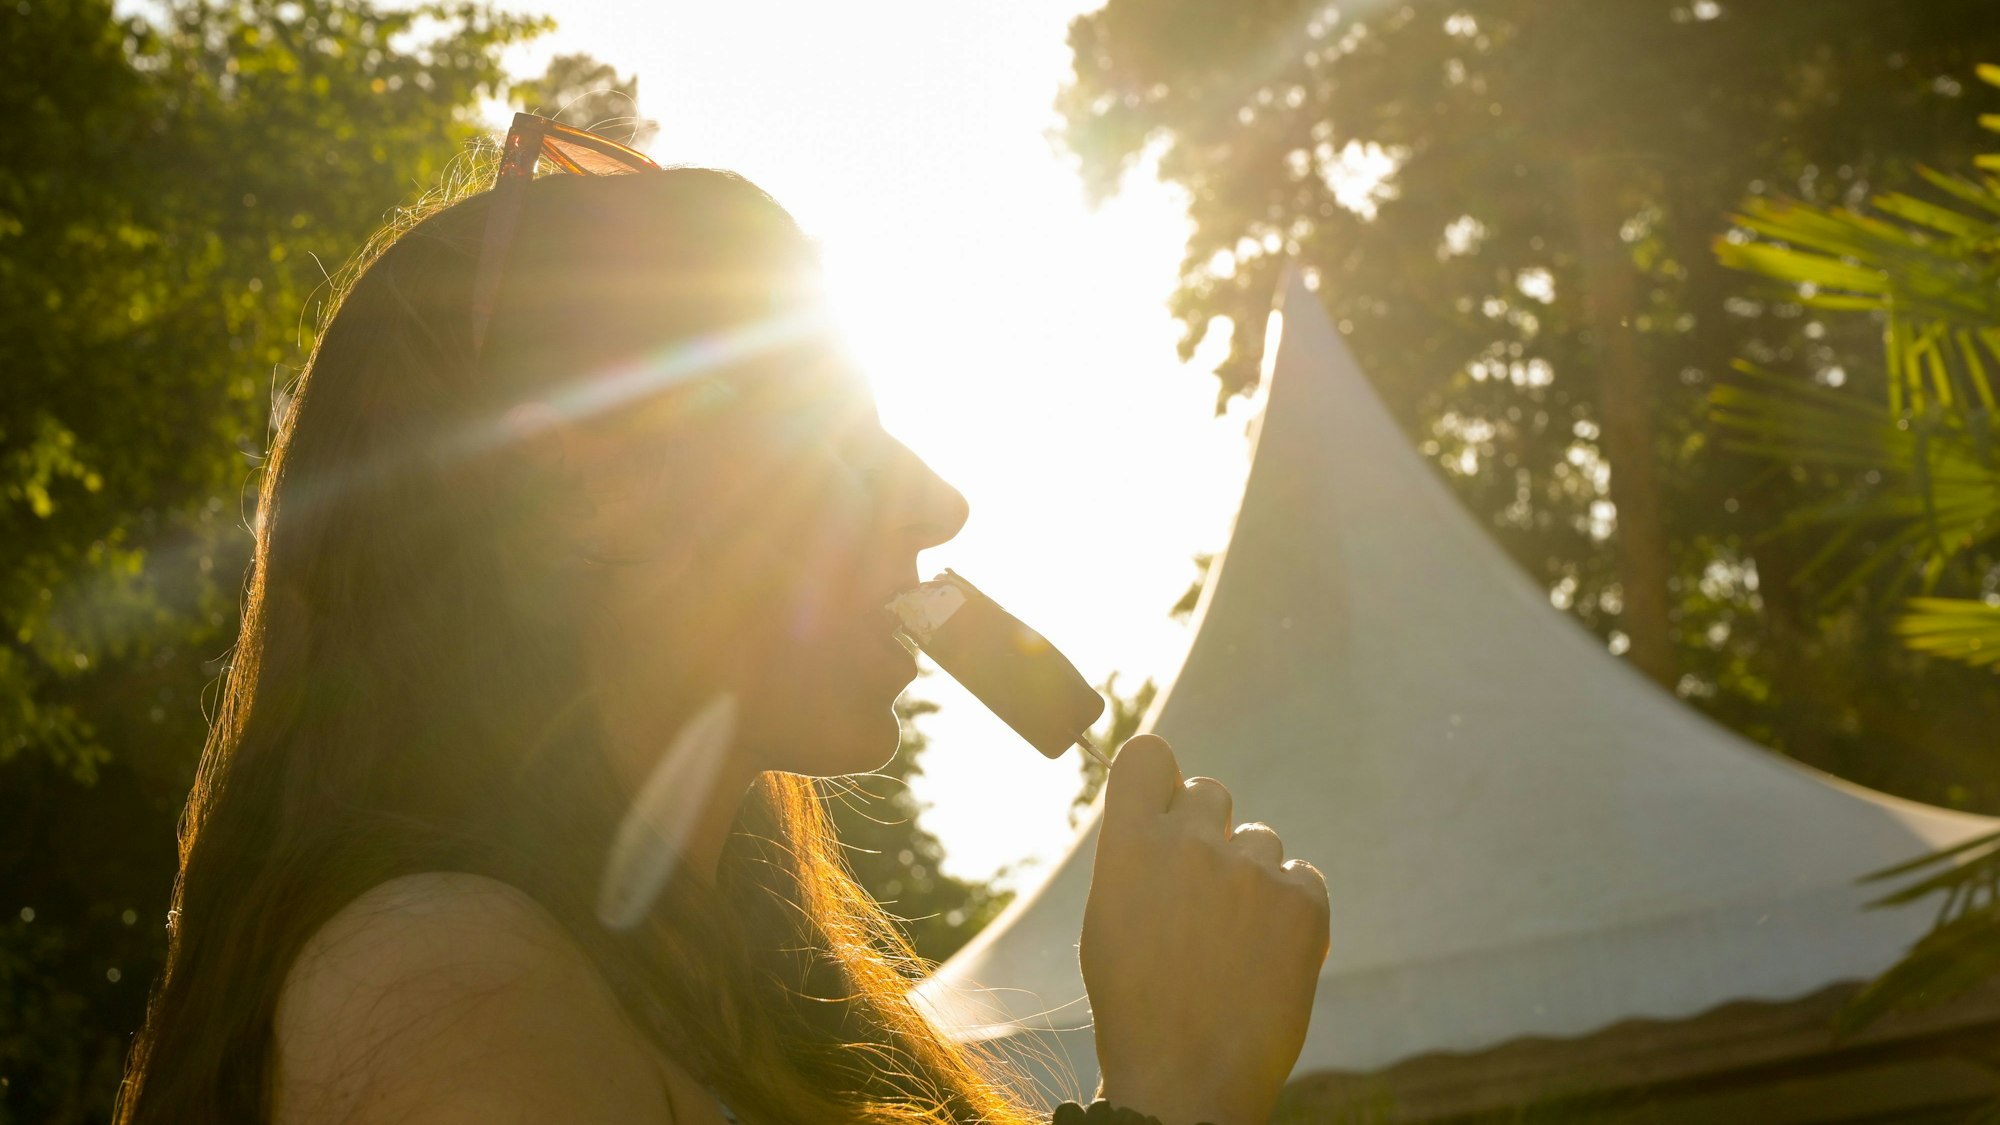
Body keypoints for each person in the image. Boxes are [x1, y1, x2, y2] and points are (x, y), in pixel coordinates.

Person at [113, 124, 1329, 1125]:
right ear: (584, 489)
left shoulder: (746, 990)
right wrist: (1173, 1092)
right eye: (836, 436)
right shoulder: (442, 984)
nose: (937, 501)